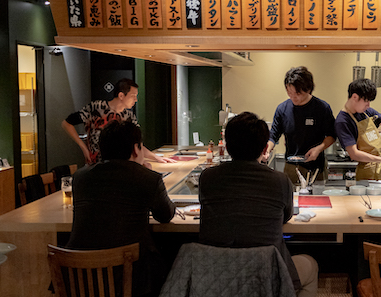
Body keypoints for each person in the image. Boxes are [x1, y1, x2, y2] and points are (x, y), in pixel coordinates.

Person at [199, 112, 318, 297]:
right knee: (310, 264)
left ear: (227, 147)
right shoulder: (280, 181)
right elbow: (286, 216)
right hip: (267, 276)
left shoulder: (207, 178)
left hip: (216, 276)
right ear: (264, 149)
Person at [66, 120, 175, 297]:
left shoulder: (80, 177)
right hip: (129, 275)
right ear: (135, 149)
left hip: (80, 277)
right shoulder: (148, 178)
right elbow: (166, 215)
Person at [62, 78, 174, 165]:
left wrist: (156, 157)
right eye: (133, 96)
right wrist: (83, 147)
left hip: (121, 166)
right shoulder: (97, 107)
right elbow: (67, 123)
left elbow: (137, 144)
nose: (135, 100)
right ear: (121, 95)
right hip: (95, 165)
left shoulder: (129, 116)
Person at [264, 67, 336, 185]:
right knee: (292, 200)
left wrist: (318, 149)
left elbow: (332, 135)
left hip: (316, 167)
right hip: (291, 167)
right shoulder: (282, 109)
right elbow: (274, 134)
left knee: (317, 201)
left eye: (297, 93)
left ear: (308, 89)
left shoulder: (322, 108)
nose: (293, 97)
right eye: (289, 92)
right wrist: (267, 149)